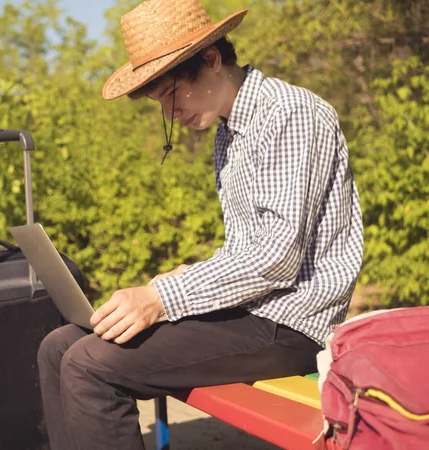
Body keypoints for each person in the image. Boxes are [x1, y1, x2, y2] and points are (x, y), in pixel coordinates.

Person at [37, 0, 363, 449]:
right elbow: (245, 249)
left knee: (89, 363)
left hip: (290, 326)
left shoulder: (291, 114)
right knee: (58, 346)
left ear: (210, 60)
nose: (169, 114)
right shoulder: (229, 133)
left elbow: (277, 257)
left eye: (170, 94)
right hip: (247, 313)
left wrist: (160, 298)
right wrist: (185, 277)